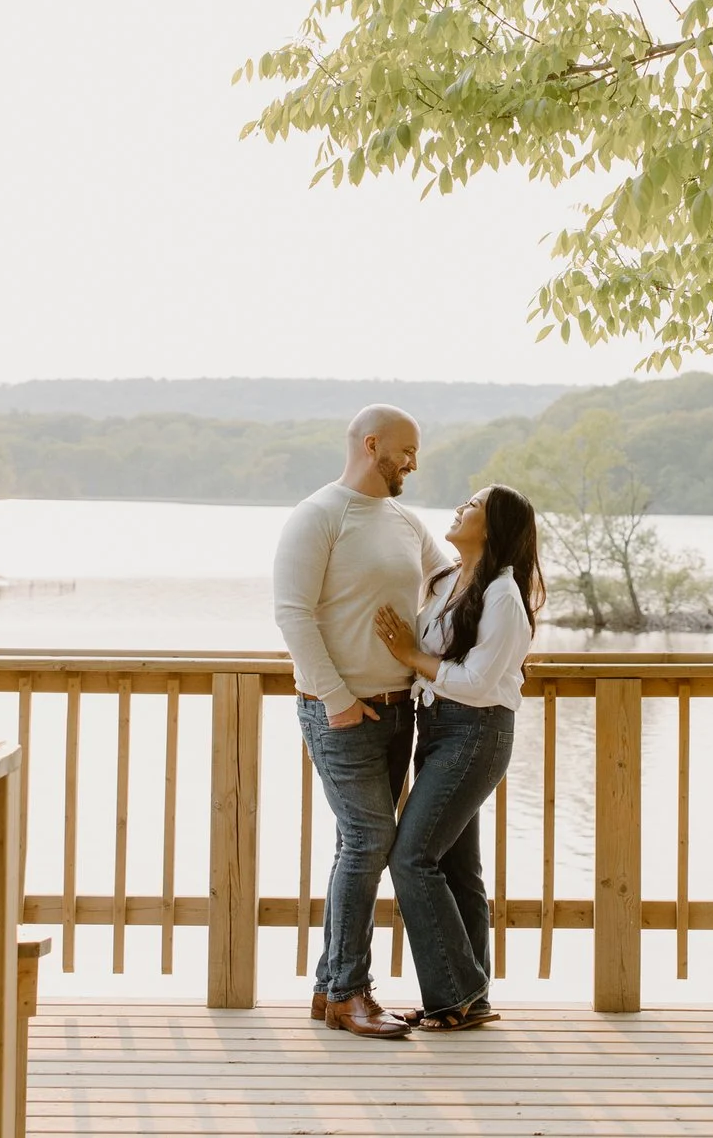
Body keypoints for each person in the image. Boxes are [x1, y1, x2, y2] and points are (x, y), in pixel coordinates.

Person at [274, 404, 448, 1039]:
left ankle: (330, 991)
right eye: (405, 450)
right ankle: (349, 992)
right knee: (370, 839)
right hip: (339, 712)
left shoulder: (406, 521)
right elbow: (292, 615)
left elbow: (451, 579)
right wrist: (337, 698)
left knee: (360, 843)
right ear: (371, 444)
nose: (413, 462)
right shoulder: (318, 515)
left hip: (401, 708)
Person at [371, 483, 543, 1032]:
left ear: (491, 527)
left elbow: (474, 683)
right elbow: (404, 537)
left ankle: (456, 993)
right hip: (437, 728)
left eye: (472, 506)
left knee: (411, 858)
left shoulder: (502, 597)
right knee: (456, 866)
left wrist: (410, 656)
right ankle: (470, 996)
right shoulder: (447, 579)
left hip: (477, 732)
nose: (459, 508)